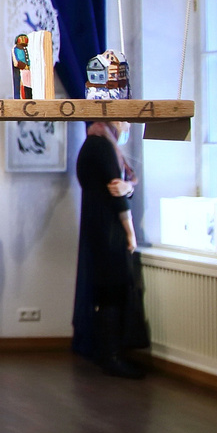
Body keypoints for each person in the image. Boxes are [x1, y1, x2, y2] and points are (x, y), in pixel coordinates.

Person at [74, 120, 150, 378]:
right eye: (124, 120)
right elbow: (116, 192)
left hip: (97, 224)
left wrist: (128, 188)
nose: (127, 125)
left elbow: (122, 188)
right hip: (108, 228)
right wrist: (130, 233)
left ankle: (107, 353)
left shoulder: (93, 143)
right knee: (112, 290)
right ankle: (112, 356)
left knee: (107, 290)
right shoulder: (102, 146)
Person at [11, 33, 33, 99]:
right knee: (21, 86)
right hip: (21, 70)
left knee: (28, 86)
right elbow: (16, 62)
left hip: (26, 71)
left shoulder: (25, 49)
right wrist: (23, 65)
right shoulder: (16, 49)